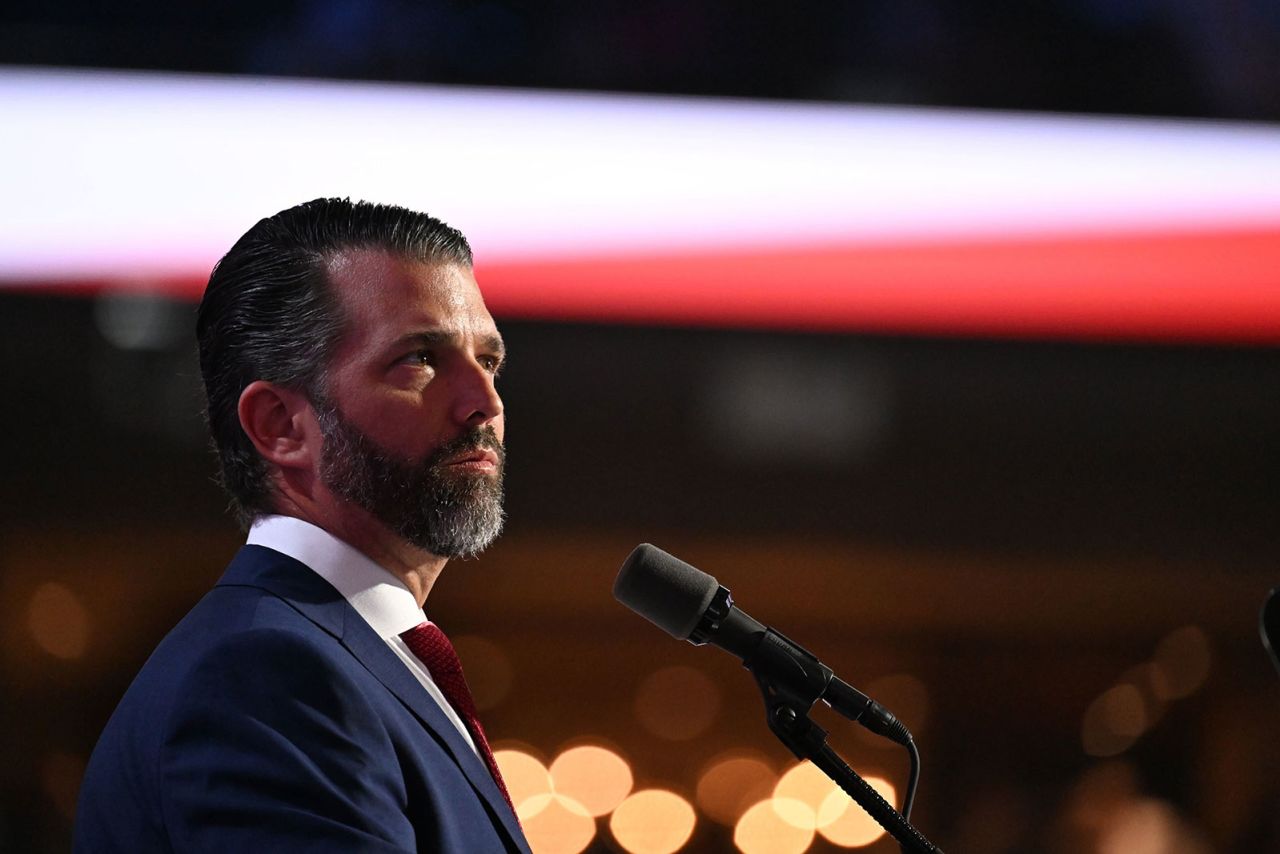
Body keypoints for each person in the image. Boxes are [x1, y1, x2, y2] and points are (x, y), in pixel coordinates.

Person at [74, 198, 531, 853]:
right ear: (280, 426)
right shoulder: (264, 676)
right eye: (420, 359)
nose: (484, 402)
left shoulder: (356, 658)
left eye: (488, 361)